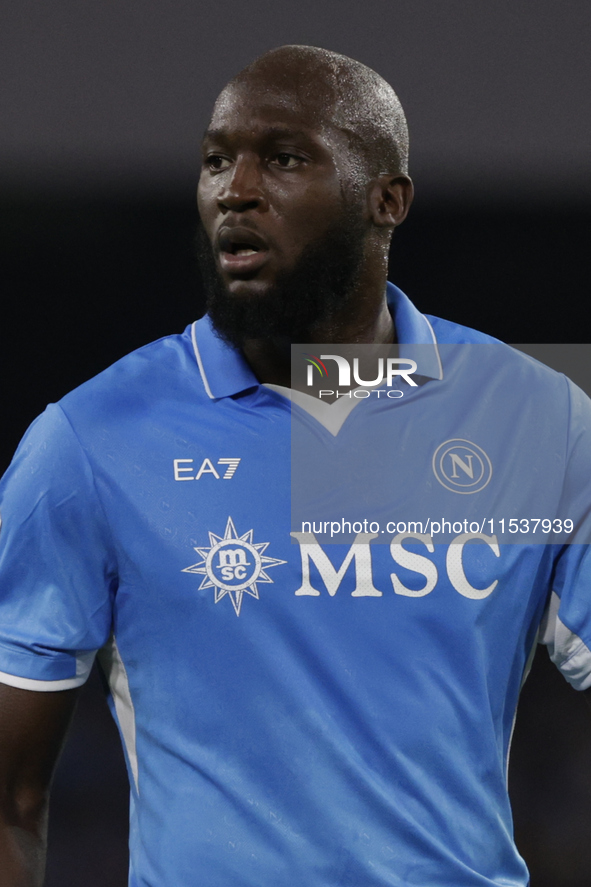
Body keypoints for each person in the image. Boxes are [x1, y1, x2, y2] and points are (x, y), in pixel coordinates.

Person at [0, 44, 590, 887]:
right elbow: (8, 795)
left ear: (386, 200)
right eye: (214, 161)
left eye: (281, 158)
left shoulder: (536, 417)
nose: (234, 189)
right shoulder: (88, 442)